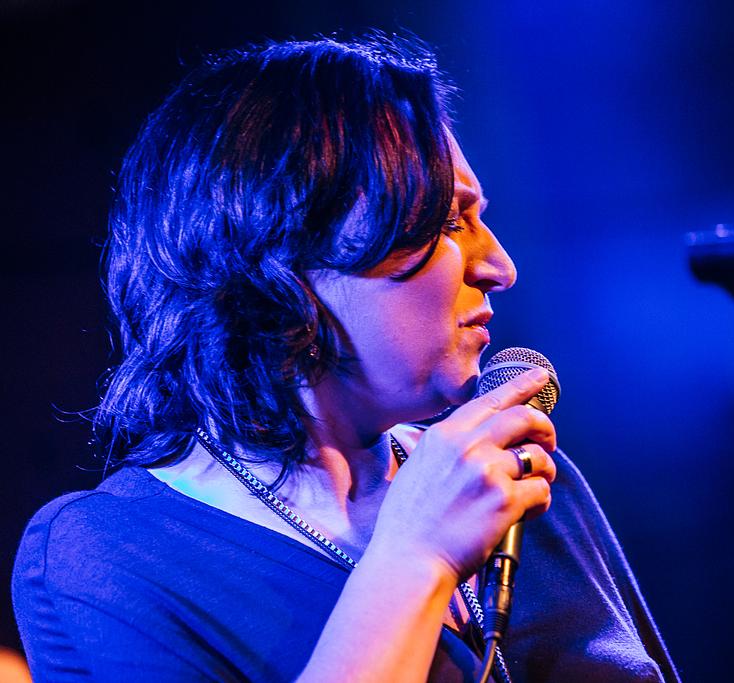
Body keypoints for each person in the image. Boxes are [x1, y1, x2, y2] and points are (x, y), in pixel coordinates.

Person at [12, 35, 679, 682]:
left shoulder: (515, 476)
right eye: (450, 222)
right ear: (285, 252)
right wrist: (416, 555)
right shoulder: (112, 555)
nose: (500, 267)